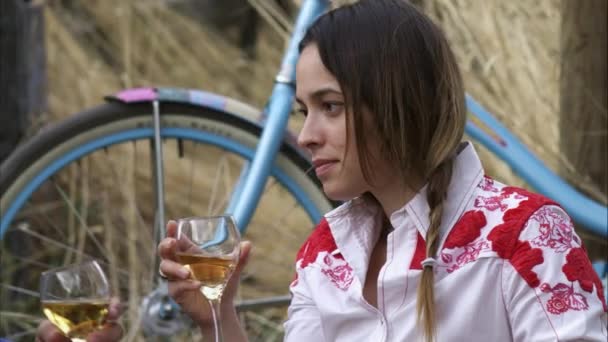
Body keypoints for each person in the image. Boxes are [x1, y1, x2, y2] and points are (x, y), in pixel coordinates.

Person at [38, 0, 607, 341]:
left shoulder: (523, 235)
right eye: (305, 110)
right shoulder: (326, 254)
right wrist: (218, 317)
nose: (307, 135)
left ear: (395, 102)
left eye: (330, 107)